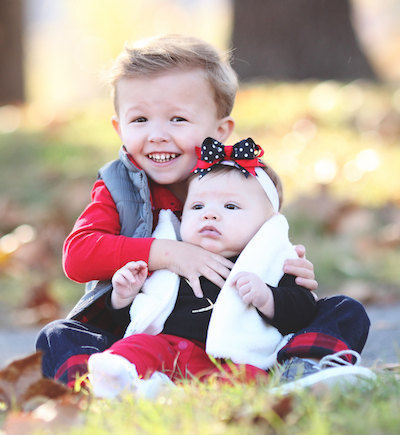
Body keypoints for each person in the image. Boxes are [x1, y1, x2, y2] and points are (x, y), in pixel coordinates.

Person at [35, 34, 372, 391]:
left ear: (220, 131)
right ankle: (97, 388)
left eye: (178, 119)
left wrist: (287, 268)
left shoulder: (245, 179)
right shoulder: (119, 186)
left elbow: (270, 242)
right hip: (142, 331)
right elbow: (78, 256)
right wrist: (169, 254)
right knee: (60, 335)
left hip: (241, 328)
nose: (157, 135)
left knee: (343, 310)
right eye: (140, 120)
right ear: (119, 127)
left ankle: (305, 370)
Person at [87, 142, 319, 398]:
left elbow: (302, 313)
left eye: (230, 207)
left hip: (228, 360)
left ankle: (197, 397)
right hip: (167, 348)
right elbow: (139, 318)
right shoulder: (174, 255)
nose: (209, 215)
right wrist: (123, 297)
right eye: (197, 207)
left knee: (250, 377)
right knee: (137, 345)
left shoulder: (270, 263)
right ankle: (120, 377)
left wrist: (267, 297)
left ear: (267, 224)